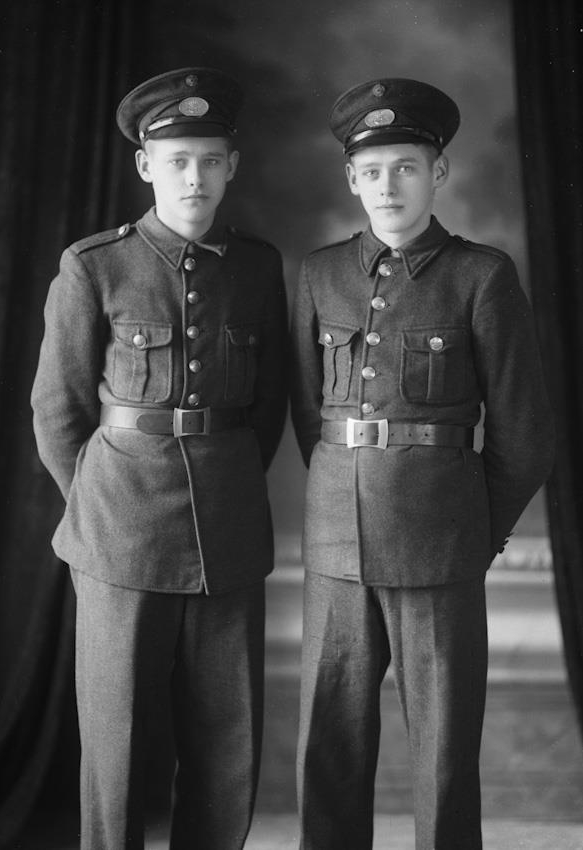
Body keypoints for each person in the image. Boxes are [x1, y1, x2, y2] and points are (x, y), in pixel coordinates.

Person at [290, 77, 555, 850]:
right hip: (337, 543)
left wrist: (472, 532)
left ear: (437, 172)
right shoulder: (319, 274)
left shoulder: (481, 276)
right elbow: (308, 414)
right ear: (350, 179)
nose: (388, 186)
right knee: (328, 742)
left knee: (442, 749)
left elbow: (524, 436)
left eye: (405, 167)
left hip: (440, 543)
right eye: (371, 171)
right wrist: (346, 493)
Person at [31, 67, 287, 850]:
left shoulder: (256, 267)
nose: (194, 177)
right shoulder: (95, 265)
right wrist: (102, 502)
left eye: (209, 160)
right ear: (146, 166)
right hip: (120, 530)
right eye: (177, 160)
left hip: (226, 531)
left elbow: (267, 407)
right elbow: (57, 411)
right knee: (116, 745)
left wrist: (225, 477)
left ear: (231, 166)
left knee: (225, 743)